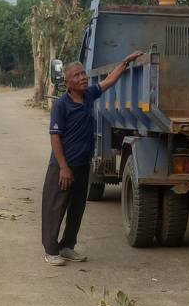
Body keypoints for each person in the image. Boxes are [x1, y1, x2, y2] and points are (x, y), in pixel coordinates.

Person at [42, 53, 142, 265]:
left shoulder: (88, 95)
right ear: (67, 82)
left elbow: (110, 80)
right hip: (63, 167)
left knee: (77, 208)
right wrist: (63, 168)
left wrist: (126, 61)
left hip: (82, 165)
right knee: (55, 208)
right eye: (77, 76)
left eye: (83, 74)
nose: (83, 78)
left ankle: (67, 246)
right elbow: (55, 137)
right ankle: (51, 251)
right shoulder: (62, 105)